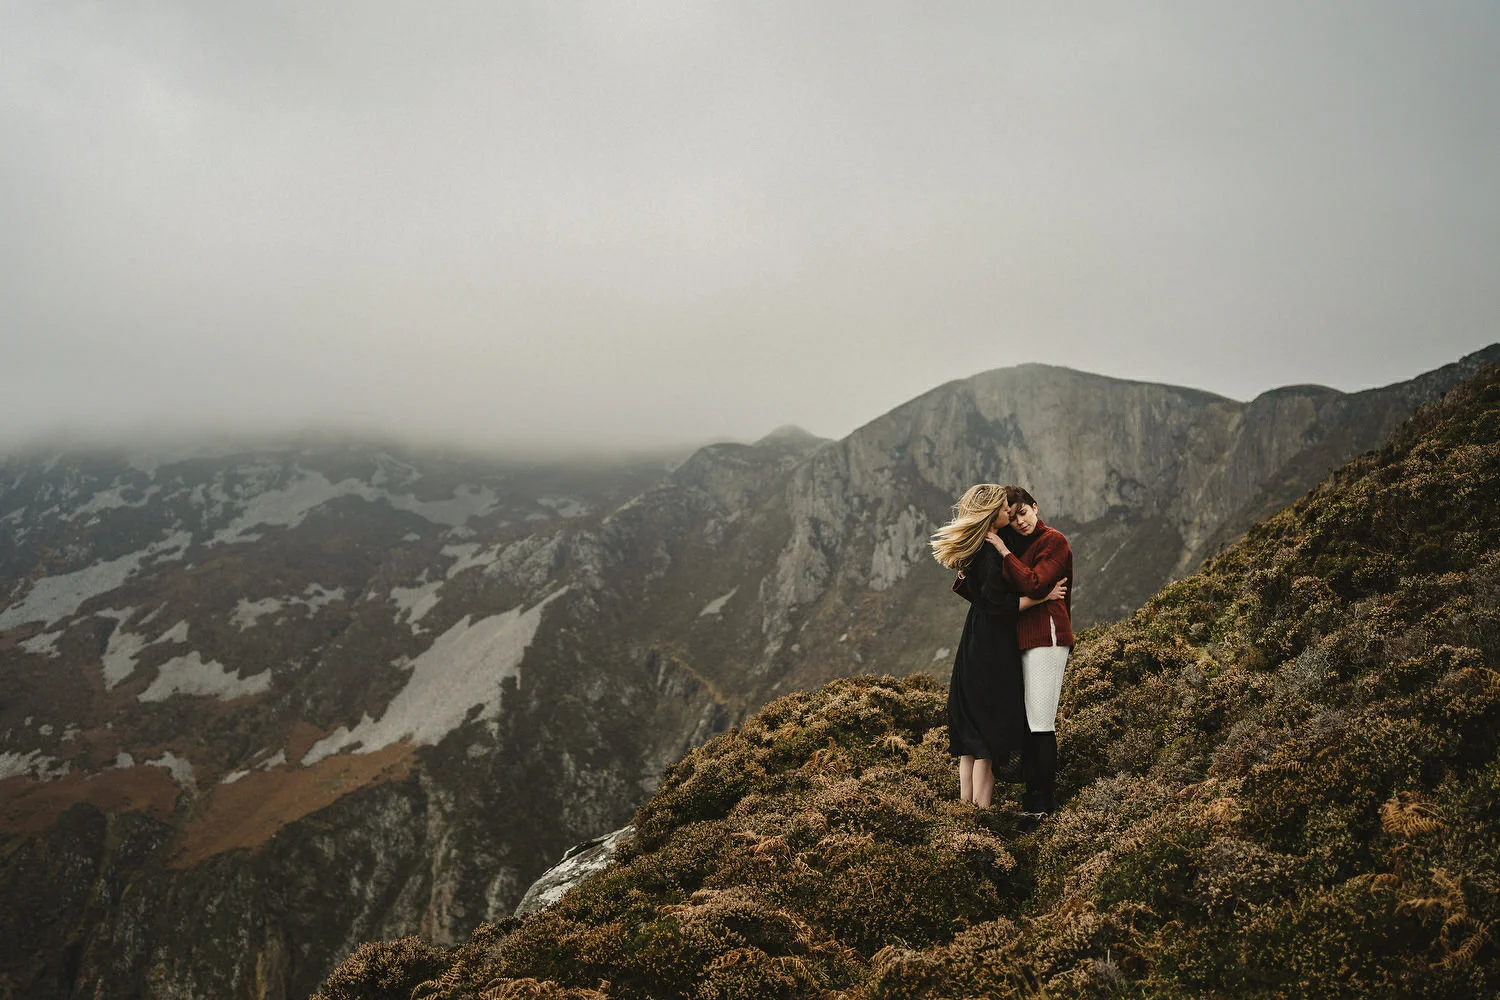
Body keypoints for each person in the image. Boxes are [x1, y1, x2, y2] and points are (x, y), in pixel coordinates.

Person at [931, 484, 1067, 809]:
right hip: (990, 644)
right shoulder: (991, 552)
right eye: (1006, 509)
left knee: (970, 743)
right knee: (987, 744)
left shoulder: (981, 547)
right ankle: (981, 813)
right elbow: (999, 605)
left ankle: (965, 811)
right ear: (994, 513)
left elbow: (980, 597)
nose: (1010, 512)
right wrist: (1041, 597)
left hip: (974, 639)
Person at [984, 486, 1074, 817]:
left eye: (1024, 512)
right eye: (1013, 515)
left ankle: (1042, 805)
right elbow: (998, 594)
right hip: (1022, 638)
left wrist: (1004, 550)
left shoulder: (1054, 541)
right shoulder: (1020, 544)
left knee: (1040, 721)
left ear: (1035, 507)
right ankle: (1032, 799)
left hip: (1047, 634)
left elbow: (1035, 584)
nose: (1020, 520)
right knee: (1028, 720)